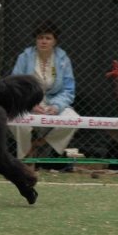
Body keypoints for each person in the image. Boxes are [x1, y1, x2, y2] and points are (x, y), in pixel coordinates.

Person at [9, 21, 79, 162]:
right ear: (36, 40)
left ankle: (40, 144)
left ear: (55, 41)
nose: (43, 41)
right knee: (15, 120)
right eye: (40, 38)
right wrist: (29, 104)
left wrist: (56, 106)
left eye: (48, 38)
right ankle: (25, 155)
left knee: (74, 119)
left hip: (53, 101)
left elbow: (68, 90)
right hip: (28, 101)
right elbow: (15, 85)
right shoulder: (24, 57)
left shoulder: (63, 60)